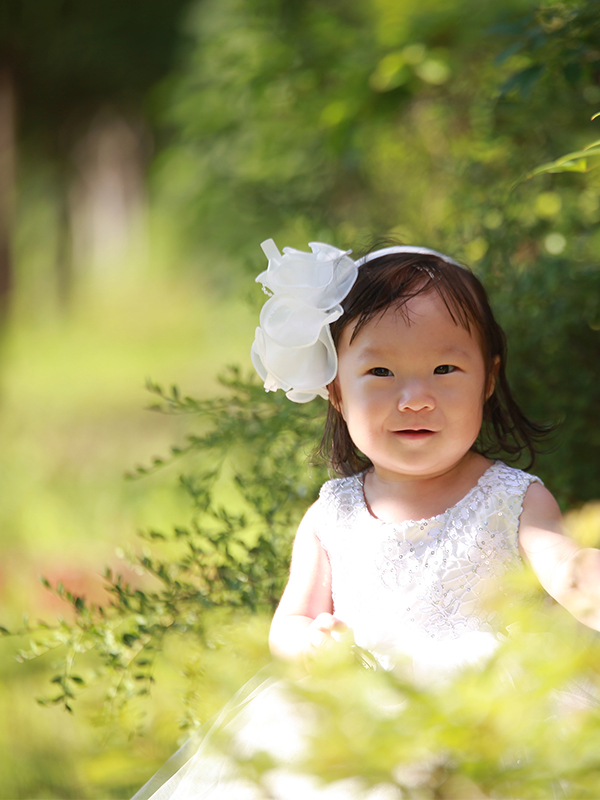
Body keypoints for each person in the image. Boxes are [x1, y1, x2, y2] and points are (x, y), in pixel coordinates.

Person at [133, 240, 600, 800]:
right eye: (380, 371)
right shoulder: (332, 514)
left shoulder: (514, 497)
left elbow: (564, 566)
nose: (416, 397)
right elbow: (293, 618)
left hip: (488, 709)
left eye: (445, 368)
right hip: (361, 709)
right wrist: (308, 644)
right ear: (335, 390)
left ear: (489, 378)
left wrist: (584, 577)